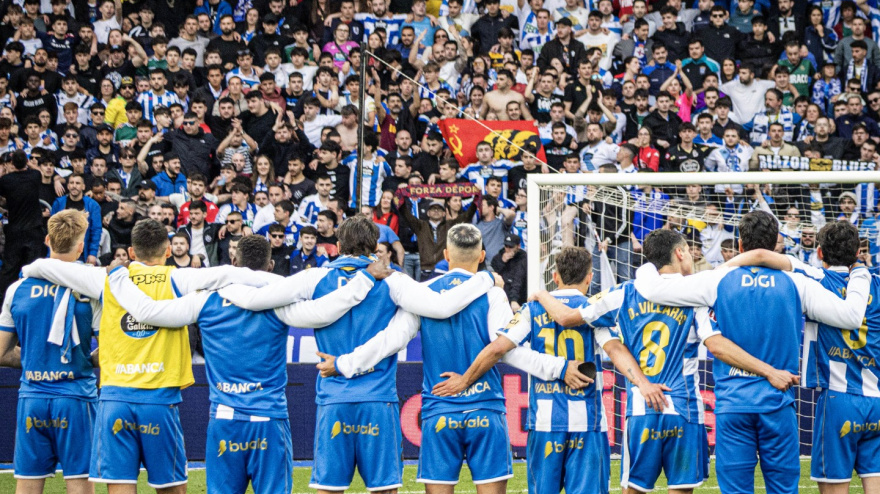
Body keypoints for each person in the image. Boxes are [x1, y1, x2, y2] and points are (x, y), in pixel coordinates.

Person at [217, 216, 507, 494]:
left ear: (338, 247)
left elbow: (257, 300)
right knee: (384, 490)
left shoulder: (314, 278)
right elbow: (439, 308)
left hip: (333, 399)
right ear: (374, 248)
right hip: (377, 399)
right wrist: (487, 280)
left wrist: (223, 287)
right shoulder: (394, 280)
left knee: (329, 490)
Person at [103, 234, 389, 494]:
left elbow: (148, 311)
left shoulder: (204, 301)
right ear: (270, 265)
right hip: (269, 420)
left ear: (233, 261)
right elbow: (325, 310)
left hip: (224, 422)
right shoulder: (280, 302)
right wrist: (365, 279)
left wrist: (117, 277)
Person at [20, 219, 282, 493]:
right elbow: (231, 274)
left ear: (131, 253)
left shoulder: (104, 278)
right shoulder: (179, 278)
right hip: (158, 400)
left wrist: (28, 268)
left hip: (115, 399)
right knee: (171, 488)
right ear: (168, 250)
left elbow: (48, 267)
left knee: (120, 487)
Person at [631, 211, 872, 494]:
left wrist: (647, 263)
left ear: (741, 246)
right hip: (778, 402)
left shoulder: (716, 280)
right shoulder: (799, 283)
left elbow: (652, 289)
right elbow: (850, 316)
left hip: (733, 405)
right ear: (776, 244)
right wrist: (860, 272)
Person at [732, 222, 880, 493]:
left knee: (835, 487)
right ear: (858, 251)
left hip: (839, 399)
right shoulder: (877, 283)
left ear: (820, 252)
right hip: (877, 399)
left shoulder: (813, 278)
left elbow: (762, 256)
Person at [0, 210, 99, 494]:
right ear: (81, 247)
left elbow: (1, 353)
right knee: (80, 484)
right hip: (75, 397)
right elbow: (108, 352)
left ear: (47, 240)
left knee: (27, 487)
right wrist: (83, 360)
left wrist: (34, 359)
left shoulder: (17, 289)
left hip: (32, 398)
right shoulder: (89, 289)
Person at [0, 150, 46, 302]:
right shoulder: (34, 176)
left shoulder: (6, 180)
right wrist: (33, 165)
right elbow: (39, 172)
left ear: (12, 163)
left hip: (15, 232)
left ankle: (4, 303)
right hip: (34, 231)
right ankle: (33, 300)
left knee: (10, 269)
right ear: (26, 162)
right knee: (34, 268)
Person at [490, 234, 527, 310]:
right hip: (502, 297)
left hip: (519, 297)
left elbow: (518, 279)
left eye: (511, 247)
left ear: (518, 246)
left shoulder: (523, 259)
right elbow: (494, 274)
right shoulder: (498, 257)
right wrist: (502, 262)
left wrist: (514, 300)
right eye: (506, 246)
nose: (508, 249)